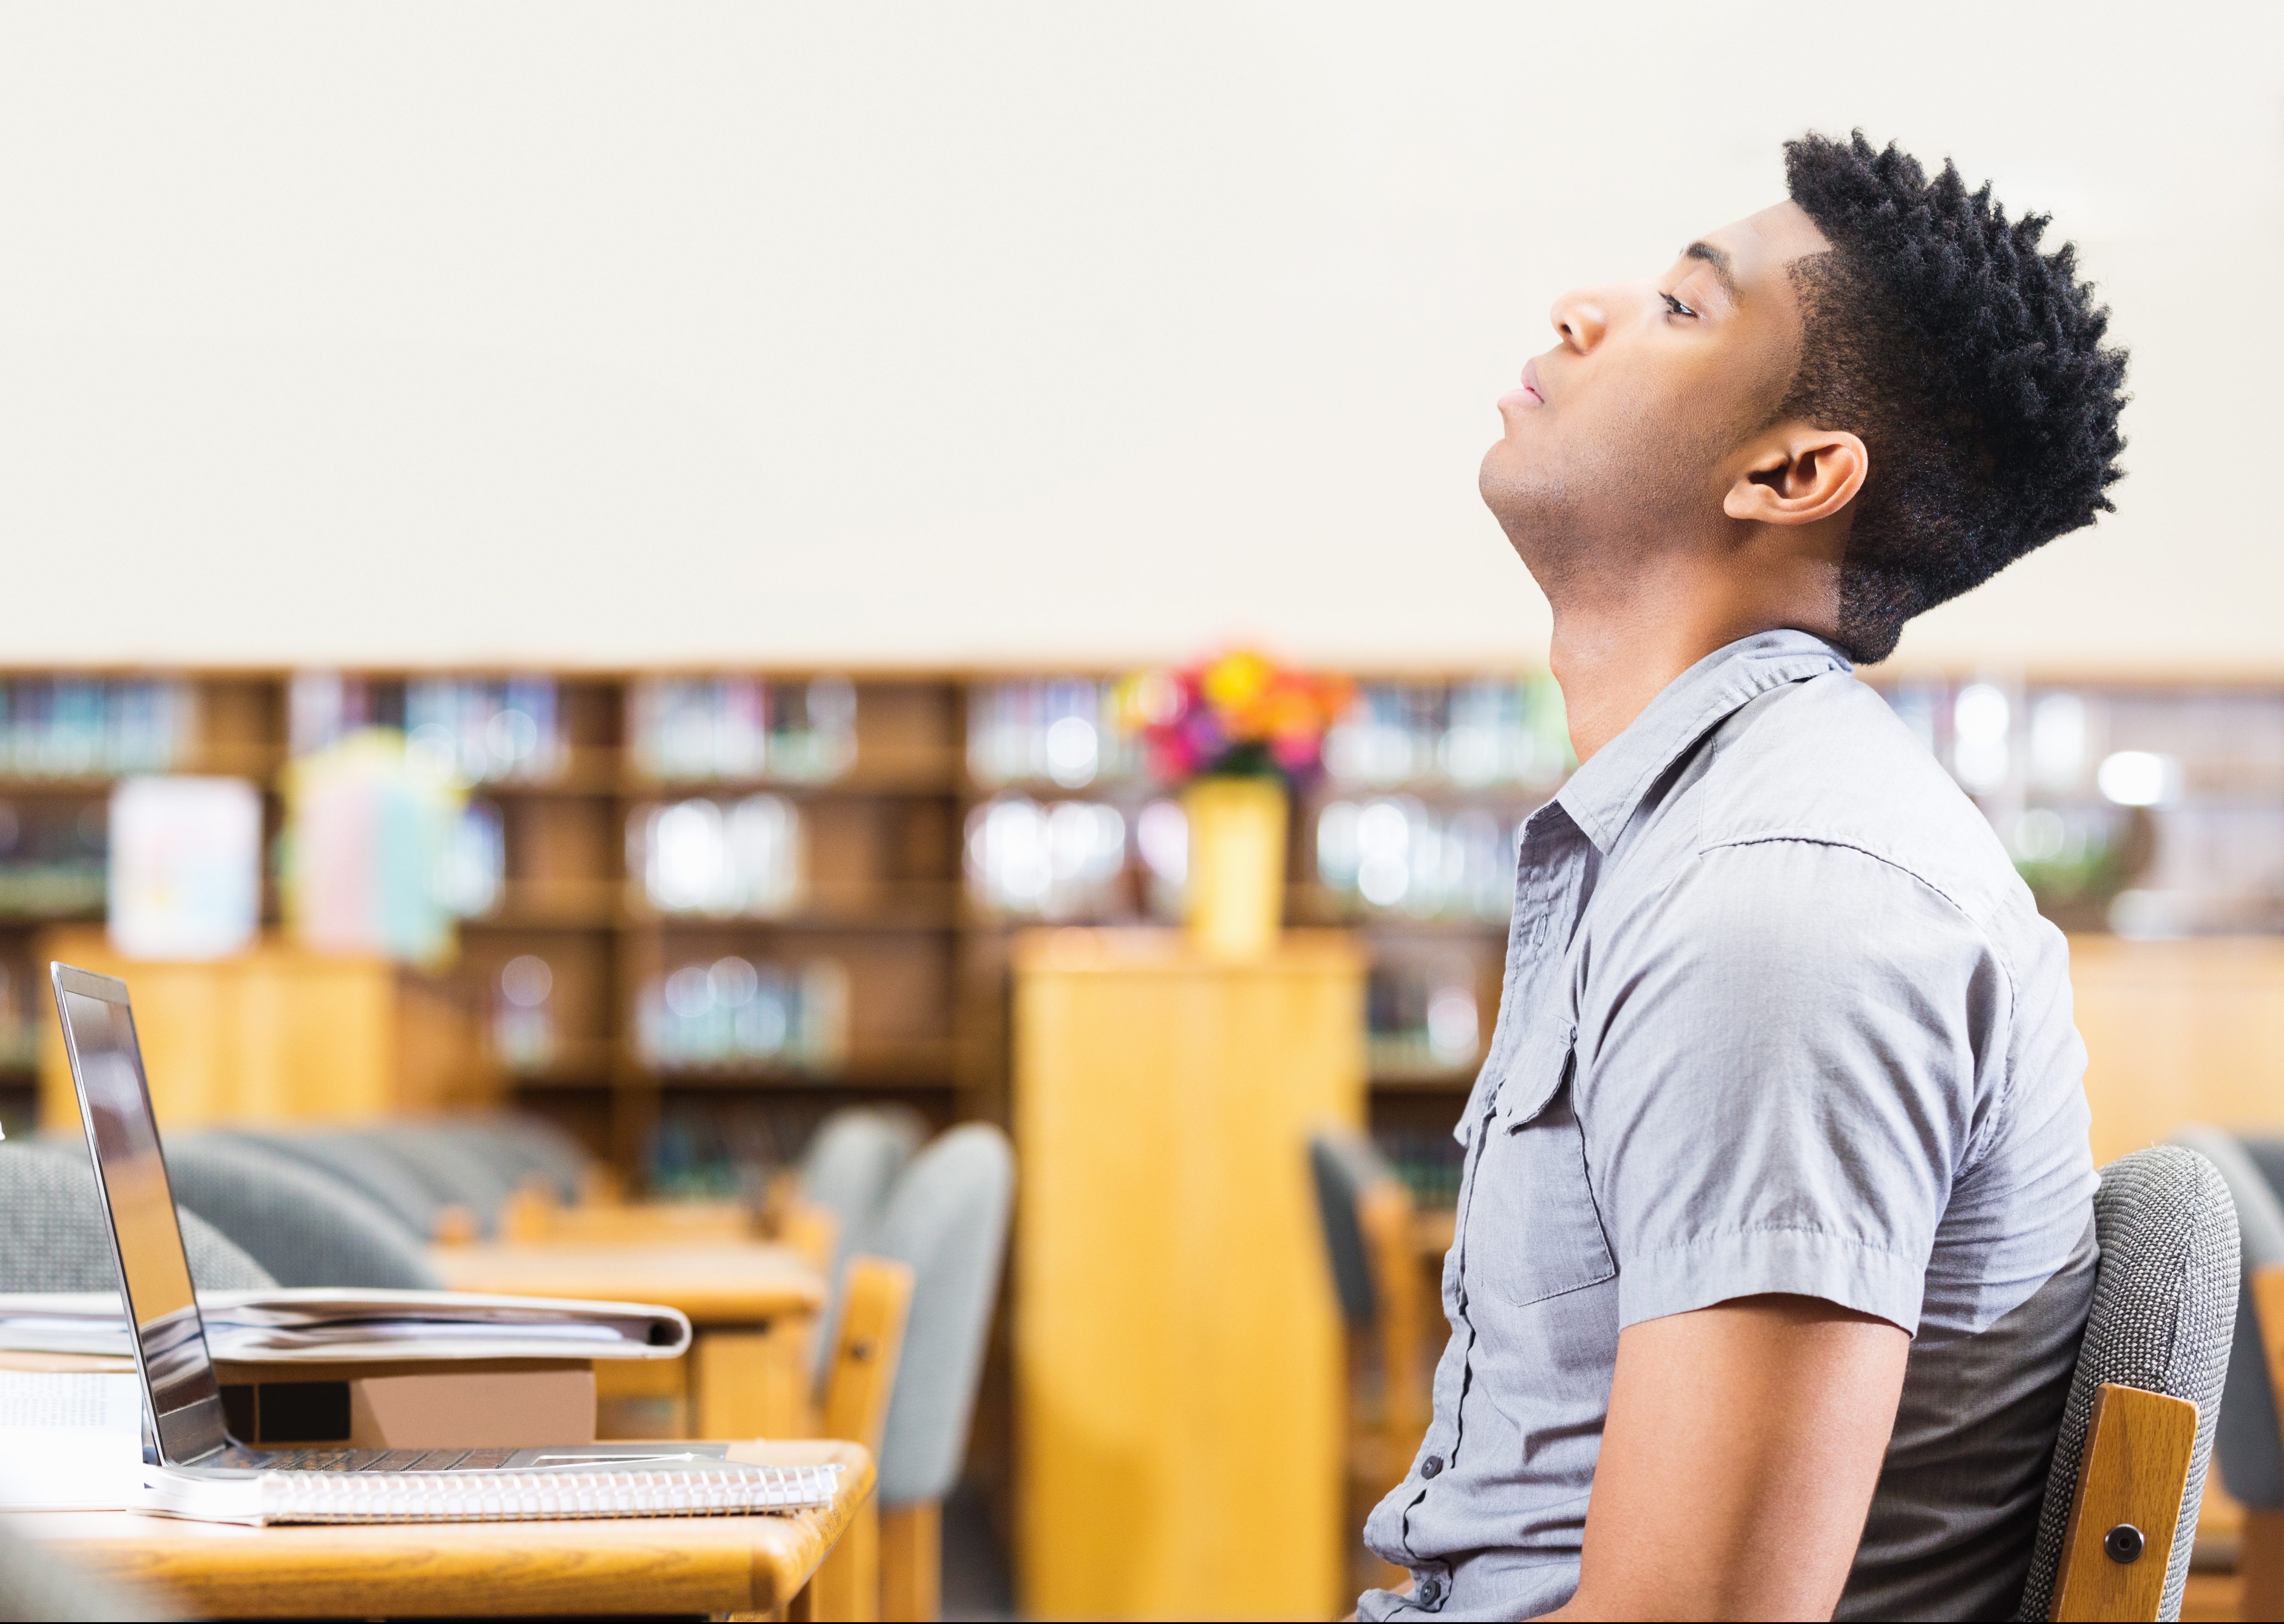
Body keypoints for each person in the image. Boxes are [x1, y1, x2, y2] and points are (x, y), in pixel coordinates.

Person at [1359, 132, 2128, 1621]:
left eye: (1682, 307)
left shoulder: (1784, 907)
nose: (1584, 309)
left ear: (1792, 473)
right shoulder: (1696, 839)